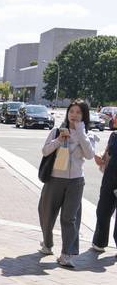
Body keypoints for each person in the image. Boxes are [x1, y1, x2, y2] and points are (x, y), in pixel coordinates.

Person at [39, 100, 96, 267]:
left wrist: (80, 133)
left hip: (76, 181)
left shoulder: (88, 135)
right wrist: (58, 140)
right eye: (72, 111)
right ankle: (47, 244)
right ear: (68, 113)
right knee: (47, 214)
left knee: (69, 218)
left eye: (79, 112)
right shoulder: (57, 130)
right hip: (55, 179)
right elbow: (45, 151)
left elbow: (89, 155)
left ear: (84, 115)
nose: (74, 115)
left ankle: (66, 254)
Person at [92, 116, 117, 252]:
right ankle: (99, 242)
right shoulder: (114, 135)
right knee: (102, 211)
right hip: (109, 179)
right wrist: (100, 156)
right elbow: (107, 153)